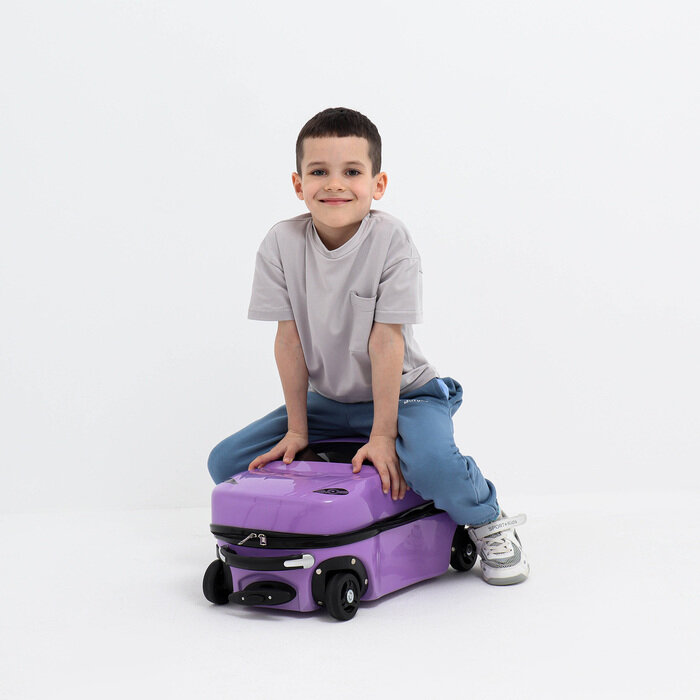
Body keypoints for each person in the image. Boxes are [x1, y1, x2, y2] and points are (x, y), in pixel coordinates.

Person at [207, 107, 529, 585]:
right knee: (229, 463)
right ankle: (329, 501)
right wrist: (297, 429)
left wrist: (382, 435)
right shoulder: (280, 243)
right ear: (298, 184)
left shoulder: (391, 240)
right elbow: (288, 341)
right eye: (319, 171)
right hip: (329, 404)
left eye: (352, 172)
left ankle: (484, 516)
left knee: (432, 465)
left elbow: (386, 341)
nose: (335, 184)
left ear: (378, 185)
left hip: (405, 397)